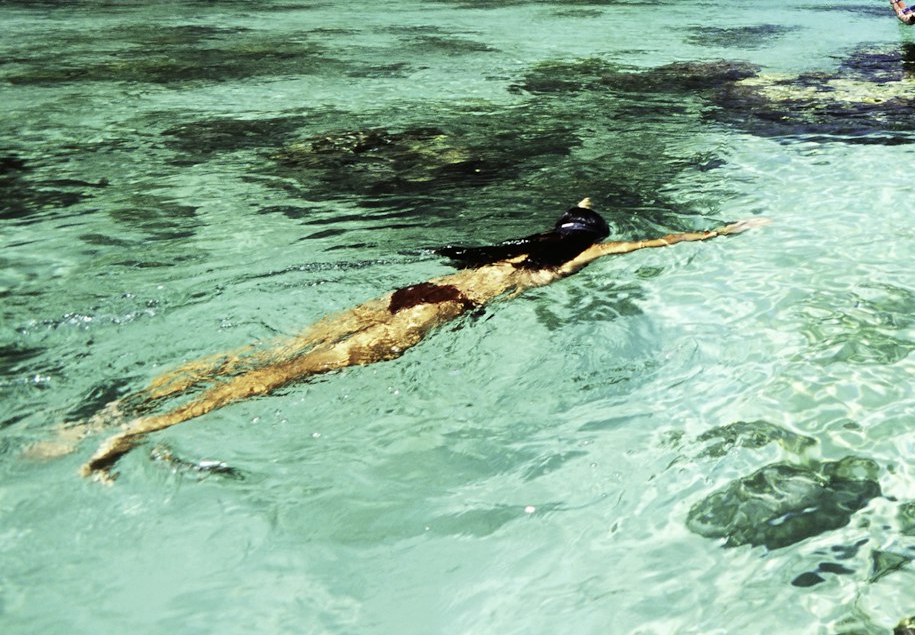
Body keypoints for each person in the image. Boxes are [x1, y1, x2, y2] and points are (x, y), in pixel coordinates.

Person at [44, 200, 759, 481]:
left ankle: (111, 410)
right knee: (285, 374)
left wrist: (580, 205)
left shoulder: (523, 246)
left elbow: (577, 212)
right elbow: (657, 241)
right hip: (430, 316)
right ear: (580, 247)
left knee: (260, 354)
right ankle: (137, 431)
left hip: (404, 293)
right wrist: (721, 233)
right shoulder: (576, 256)